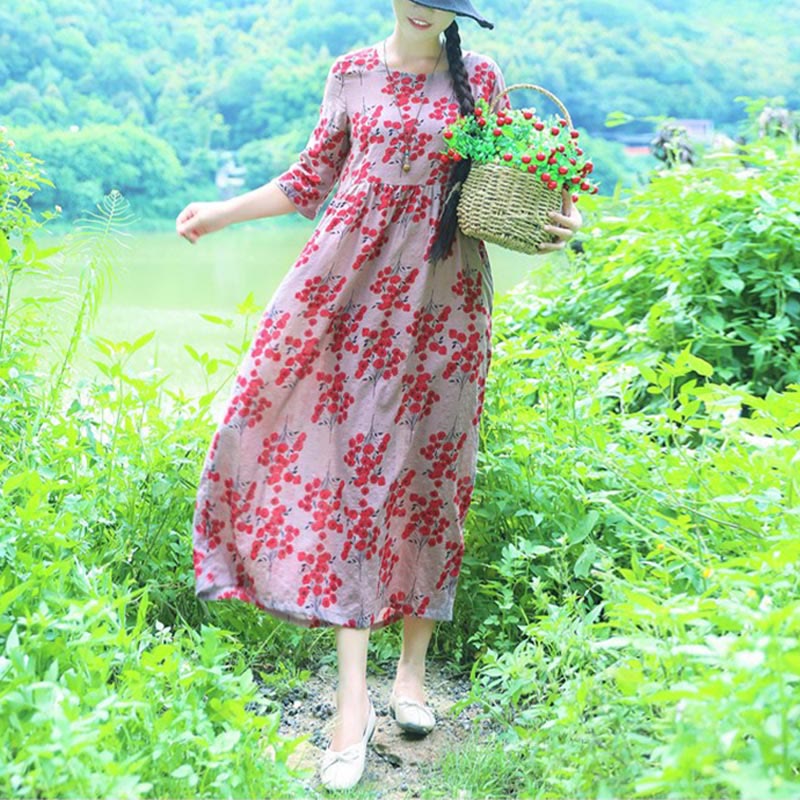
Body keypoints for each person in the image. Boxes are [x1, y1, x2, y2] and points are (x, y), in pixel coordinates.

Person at [176, 0, 582, 790]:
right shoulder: (352, 73)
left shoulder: (483, 81)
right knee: (348, 483)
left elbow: (519, 182)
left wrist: (559, 214)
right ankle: (350, 704)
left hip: (444, 304)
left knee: (432, 481)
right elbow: (308, 179)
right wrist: (222, 213)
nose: (429, 6)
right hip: (348, 297)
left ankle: (411, 678)